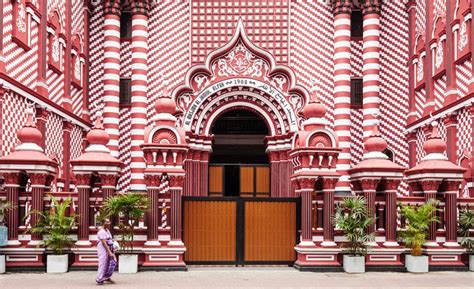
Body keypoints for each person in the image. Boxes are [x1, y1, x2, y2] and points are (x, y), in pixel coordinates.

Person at [96, 218, 116, 285]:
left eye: (109, 222)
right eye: (107, 222)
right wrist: (109, 252)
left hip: (109, 247)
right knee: (103, 263)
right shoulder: (101, 231)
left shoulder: (107, 230)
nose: (109, 223)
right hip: (103, 248)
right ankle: (99, 279)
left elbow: (109, 239)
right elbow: (104, 243)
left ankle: (106, 277)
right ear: (103, 223)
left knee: (110, 262)